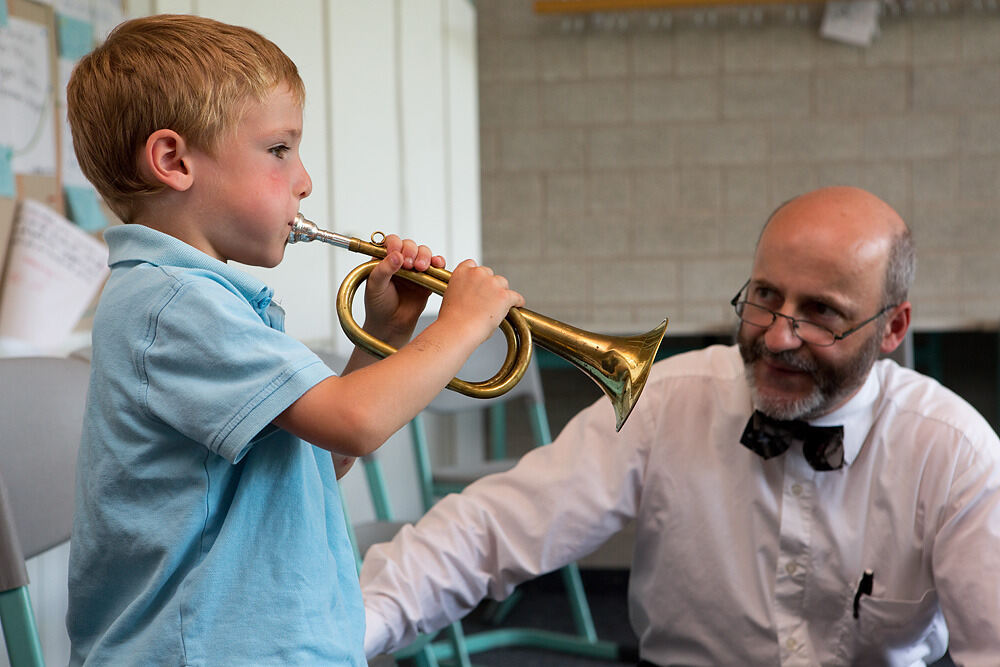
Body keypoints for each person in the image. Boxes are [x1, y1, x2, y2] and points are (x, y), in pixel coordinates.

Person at [360, 186, 1000, 666]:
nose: (778, 337)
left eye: (823, 314)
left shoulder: (956, 454)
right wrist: (342, 629)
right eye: (766, 297)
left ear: (892, 328)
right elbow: (490, 531)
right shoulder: (671, 401)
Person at [64, 14, 523, 666]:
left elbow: (318, 455)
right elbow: (355, 423)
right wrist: (461, 324)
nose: (304, 179)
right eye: (280, 149)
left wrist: (388, 333)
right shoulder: (174, 304)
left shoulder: (202, 301)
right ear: (173, 160)